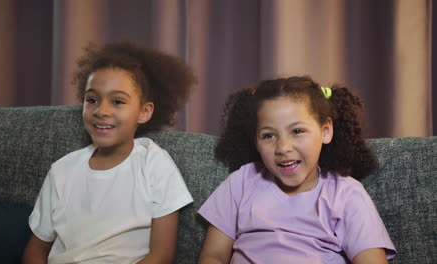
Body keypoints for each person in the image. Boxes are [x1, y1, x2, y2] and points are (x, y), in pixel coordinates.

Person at [22, 39, 197, 264]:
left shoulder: (154, 163)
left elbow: (161, 256)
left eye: (117, 101)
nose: (101, 110)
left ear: (144, 112)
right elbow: (35, 249)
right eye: (92, 99)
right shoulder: (62, 170)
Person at [198, 76, 396, 264]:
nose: (283, 148)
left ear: (325, 131)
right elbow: (213, 256)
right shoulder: (241, 182)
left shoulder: (346, 194)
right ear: (255, 140)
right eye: (268, 136)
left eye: (297, 131)